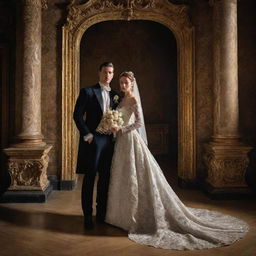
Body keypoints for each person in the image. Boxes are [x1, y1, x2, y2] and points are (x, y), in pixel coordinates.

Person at [105, 71, 249, 250]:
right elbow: (119, 119)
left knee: (137, 176)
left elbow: (139, 124)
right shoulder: (120, 100)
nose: (123, 86)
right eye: (121, 83)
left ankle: (139, 216)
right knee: (123, 176)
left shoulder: (134, 100)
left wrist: (122, 130)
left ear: (132, 84)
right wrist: (114, 127)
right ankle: (121, 216)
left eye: (126, 83)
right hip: (121, 144)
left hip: (131, 141)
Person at [73, 62, 119, 229]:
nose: (108, 75)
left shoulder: (115, 95)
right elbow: (77, 115)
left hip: (109, 141)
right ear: (99, 73)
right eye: (105, 72)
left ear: (113, 75)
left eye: (111, 73)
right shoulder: (88, 91)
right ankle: (87, 216)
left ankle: (101, 214)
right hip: (94, 141)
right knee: (90, 178)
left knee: (105, 177)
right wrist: (87, 135)